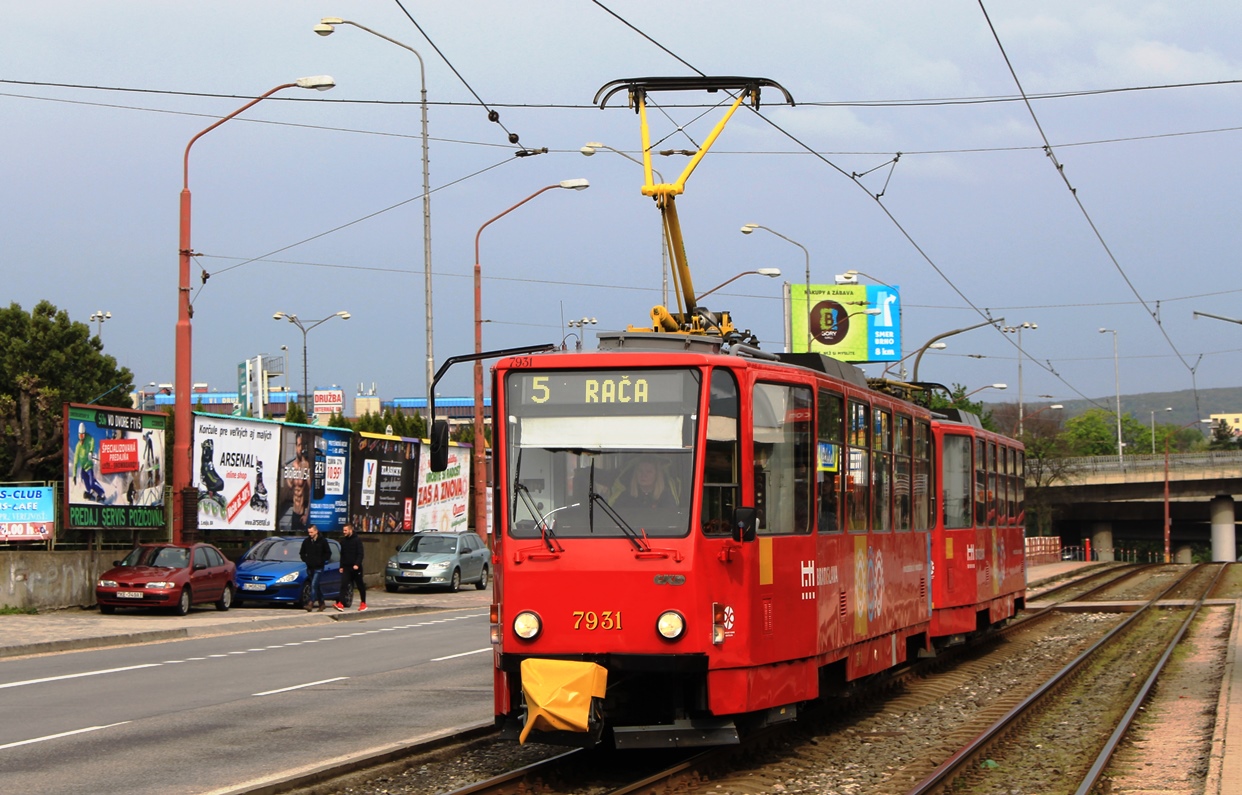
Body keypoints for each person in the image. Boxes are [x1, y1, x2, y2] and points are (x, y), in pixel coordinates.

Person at [611, 457, 678, 510]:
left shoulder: (665, 496)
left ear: (657, 475)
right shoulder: (626, 495)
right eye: (640, 471)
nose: (643, 475)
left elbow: (671, 519)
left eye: (649, 472)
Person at [278, 432, 311, 532]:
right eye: (298, 445)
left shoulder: (306, 465)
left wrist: (307, 514)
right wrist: (288, 471)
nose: (300, 448)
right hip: (294, 511)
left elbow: (311, 492)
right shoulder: (293, 465)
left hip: (302, 512)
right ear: (296, 447)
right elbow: (290, 485)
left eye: (302, 445)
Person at [335, 523, 366, 612]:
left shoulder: (357, 540)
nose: (344, 532)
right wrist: (341, 566)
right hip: (347, 567)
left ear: (350, 530)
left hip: (356, 568)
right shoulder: (343, 541)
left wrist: (357, 564)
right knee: (344, 584)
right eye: (343, 530)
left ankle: (363, 603)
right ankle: (340, 603)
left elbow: (360, 553)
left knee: (360, 585)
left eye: (345, 530)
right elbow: (342, 555)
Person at [72, 423, 106, 502]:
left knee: (92, 482)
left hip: (89, 466)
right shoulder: (78, 447)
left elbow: (93, 441)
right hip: (84, 468)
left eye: (83, 435)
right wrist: (74, 475)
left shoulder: (88, 438)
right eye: (80, 436)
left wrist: (91, 451)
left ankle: (101, 493)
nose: (82, 438)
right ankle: (91, 492)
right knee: (84, 478)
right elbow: (75, 462)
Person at [299, 525, 330, 612]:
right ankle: (322, 603)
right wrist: (306, 560)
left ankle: (311, 602)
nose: (310, 534)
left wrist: (322, 560)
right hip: (310, 567)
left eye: (311, 532)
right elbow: (302, 553)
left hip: (319, 567)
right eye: (309, 532)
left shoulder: (323, 541)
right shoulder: (306, 541)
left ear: (316, 531)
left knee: (313, 585)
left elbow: (328, 553)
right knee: (316, 586)